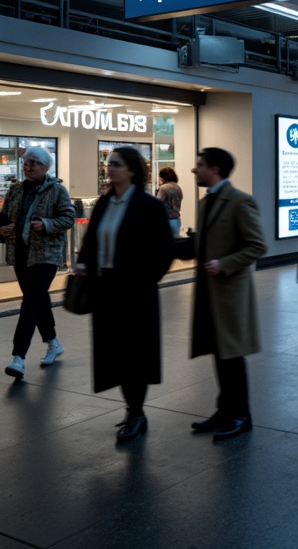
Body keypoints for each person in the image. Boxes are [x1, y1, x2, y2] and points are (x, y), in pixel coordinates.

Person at [75, 146, 173, 441]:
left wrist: (144, 280)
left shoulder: (148, 205)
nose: (109, 168)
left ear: (132, 170)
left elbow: (163, 250)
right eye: (109, 163)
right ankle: (132, 409)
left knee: (135, 354)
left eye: (116, 164)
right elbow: (93, 240)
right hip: (106, 290)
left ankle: (137, 412)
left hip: (135, 293)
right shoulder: (106, 203)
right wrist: (84, 264)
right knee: (114, 353)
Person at [190, 147, 267, 440]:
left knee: (232, 356)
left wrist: (225, 264)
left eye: (200, 165)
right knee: (220, 354)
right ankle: (224, 411)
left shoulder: (240, 201)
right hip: (210, 292)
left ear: (215, 169)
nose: (195, 170)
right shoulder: (205, 202)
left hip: (230, 293)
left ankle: (240, 415)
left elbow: (257, 245)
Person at [2, 146, 75, 380]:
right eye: (25, 163)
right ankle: (53, 342)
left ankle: (18, 357)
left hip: (46, 254)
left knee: (30, 302)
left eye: (33, 163)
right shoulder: (15, 190)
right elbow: (3, 219)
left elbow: (68, 218)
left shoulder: (57, 191)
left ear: (45, 167)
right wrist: (2, 230)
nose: (27, 167)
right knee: (39, 299)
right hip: (20, 253)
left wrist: (46, 224)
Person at [156, 166, 184, 236]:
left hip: (167, 220)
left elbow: (158, 203)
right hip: (176, 219)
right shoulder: (178, 187)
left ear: (163, 177)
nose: (159, 178)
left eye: (160, 176)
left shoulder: (164, 188)